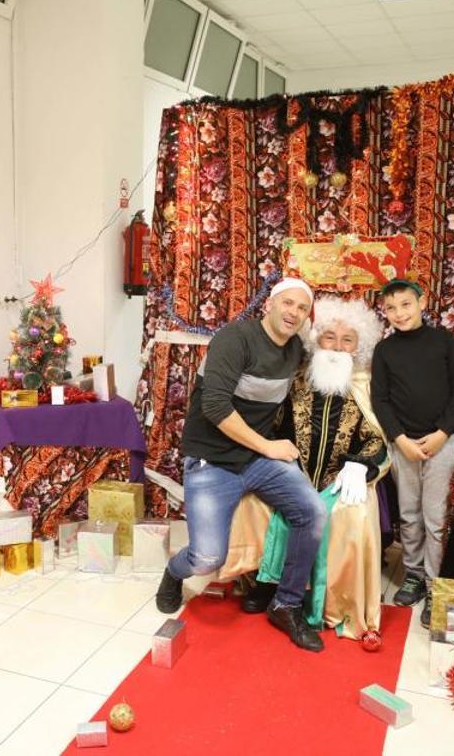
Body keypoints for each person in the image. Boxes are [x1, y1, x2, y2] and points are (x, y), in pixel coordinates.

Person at [155, 278, 329, 652]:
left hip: (255, 459)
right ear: (269, 304)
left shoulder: (295, 350)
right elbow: (215, 407)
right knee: (206, 559)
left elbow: (333, 356)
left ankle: (286, 604)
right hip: (212, 461)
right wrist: (268, 446)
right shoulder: (234, 339)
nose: (294, 312)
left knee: (312, 512)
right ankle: (174, 571)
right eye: (288, 303)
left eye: (302, 308)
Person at [223, 297, 390, 650]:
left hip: (338, 481)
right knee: (255, 502)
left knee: (351, 514)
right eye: (329, 337)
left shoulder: (366, 387)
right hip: (291, 473)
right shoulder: (293, 379)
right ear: (315, 339)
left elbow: (378, 438)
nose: (338, 346)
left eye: (348, 340)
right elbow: (267, 425)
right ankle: (264, 584)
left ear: (359, 346)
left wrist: (360, 464)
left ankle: (329, 600)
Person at [370, 279, 454, 628]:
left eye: (406, 305)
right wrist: (400, 440)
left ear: (422, 303)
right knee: (410, 514)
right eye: (391, 308)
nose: (399, 313)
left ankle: (434, 584)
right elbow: (380, 399)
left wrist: (442, 433)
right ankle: (412, 574)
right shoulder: (385, 351)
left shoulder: (444, 342)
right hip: (405, 447)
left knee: (435, 518)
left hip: (442, 443)